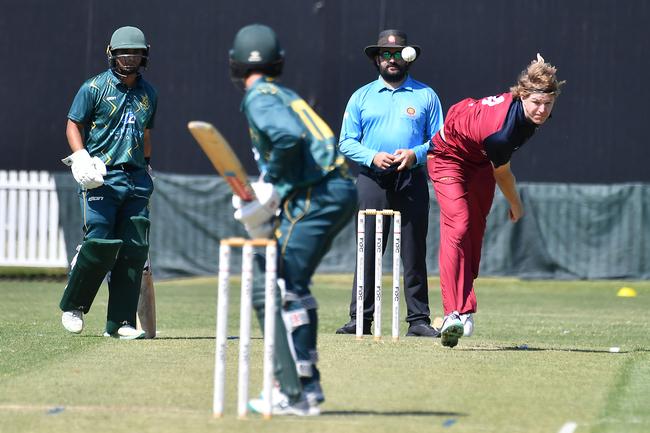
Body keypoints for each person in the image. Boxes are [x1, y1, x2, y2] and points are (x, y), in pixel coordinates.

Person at [228, 24, 357, 415]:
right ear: (278, 61)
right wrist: (271, 189)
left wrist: (276, 188)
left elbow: (287, 139)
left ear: (235, 64)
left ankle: (294, 391)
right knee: (289, 282)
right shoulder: (282, 92)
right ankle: (306, 387)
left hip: (315, 194)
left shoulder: (258, 96)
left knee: (273, 284)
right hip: (333, 190)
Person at [428, 54, 565, 348]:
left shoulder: (528, 111)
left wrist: (538, 70)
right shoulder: (502, 134)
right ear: (522, 96)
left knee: (474, 234)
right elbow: (503, 175)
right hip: (448, 158)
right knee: (459, 225)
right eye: (536, 103)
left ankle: (464, 309)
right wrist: (516, 204)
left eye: (548, 103)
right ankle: (451, 312)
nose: (542, 110)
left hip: (478, 159)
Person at [336, 29, 444, 337]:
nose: (392, 59)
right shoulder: (362, 96)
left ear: (407, 57)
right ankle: (361, 319)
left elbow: (441, 141)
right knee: (368, 248)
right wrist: (372, 157)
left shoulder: (425, 95)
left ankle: (419, 320)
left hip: (411, 178)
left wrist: (415, 154)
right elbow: (346, 141)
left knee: (412, 249)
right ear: (376, 59)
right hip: (373, 179)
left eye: (397, 54)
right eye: (385, 54)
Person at [59, 26, 157, 340]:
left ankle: (120, 323)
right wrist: (81, 156)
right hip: (101, 176)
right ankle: (74, 305)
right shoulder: (94, 88)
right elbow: (74, 124)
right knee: (100, 244)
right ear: (112, 54)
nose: (129, 58)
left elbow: (145, 134)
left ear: (144, 55)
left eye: (135, 52)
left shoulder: (149, 93)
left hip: (136, 178)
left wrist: (148, 166)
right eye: (123, 52)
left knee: (133, 250)